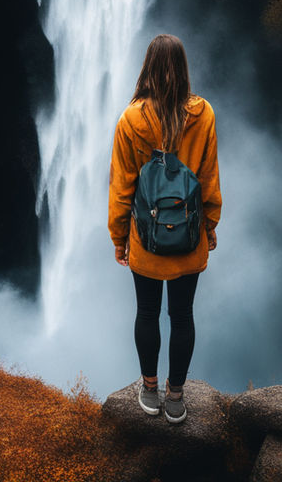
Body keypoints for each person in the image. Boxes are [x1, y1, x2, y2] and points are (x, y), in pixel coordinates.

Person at [108, 34, 222, 424]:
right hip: (189, 238)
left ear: (147, 69)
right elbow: (208, 176)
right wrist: (210, 225)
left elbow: (122, 186)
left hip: (146, 239)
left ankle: (150, 388)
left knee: (146, 312)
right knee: (183, 316)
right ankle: (176, 397)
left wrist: (119, 237)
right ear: (183, 67)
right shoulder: (203, 113)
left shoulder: (131, 119)